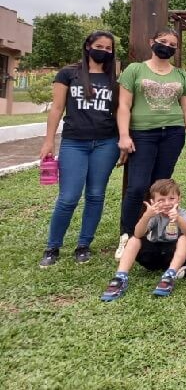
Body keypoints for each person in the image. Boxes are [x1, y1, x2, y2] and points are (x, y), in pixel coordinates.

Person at [39, 31, 121, 267]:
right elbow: (56, 108)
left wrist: (123, 141)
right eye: (99, 46)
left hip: (106, 143)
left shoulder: (114, 79)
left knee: (95, 195)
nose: (103, 51)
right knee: (68, 197)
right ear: (87, 46)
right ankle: (53, 246)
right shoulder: (68, 74)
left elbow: (119, 112)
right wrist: (48, 141)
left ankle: (84, 245)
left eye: (108, 48)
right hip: (74, 142)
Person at [115, 29, 186, 259]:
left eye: (172, 44)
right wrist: (124, 135)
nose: (167, 46)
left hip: (172, 134)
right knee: (137, 186)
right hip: (142, 134)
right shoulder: (134, 70)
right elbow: (124, 105)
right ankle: (128, 235)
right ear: (152, 42)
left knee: (159, 188)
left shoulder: (180, 75)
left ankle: (155, 231)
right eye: (163, 42)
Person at [100, 178, 186, 301]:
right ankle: (120, 278)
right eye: (161, 200)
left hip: (173, 255)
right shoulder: (154, 215)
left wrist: (178, 219)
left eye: (171, 198)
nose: (167, 203)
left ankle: (169, 276)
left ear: (179, 199)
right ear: (153, 202)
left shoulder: (182, 213)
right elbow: (138, 234)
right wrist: (146, 216)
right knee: (134, 239)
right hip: (152, 255)